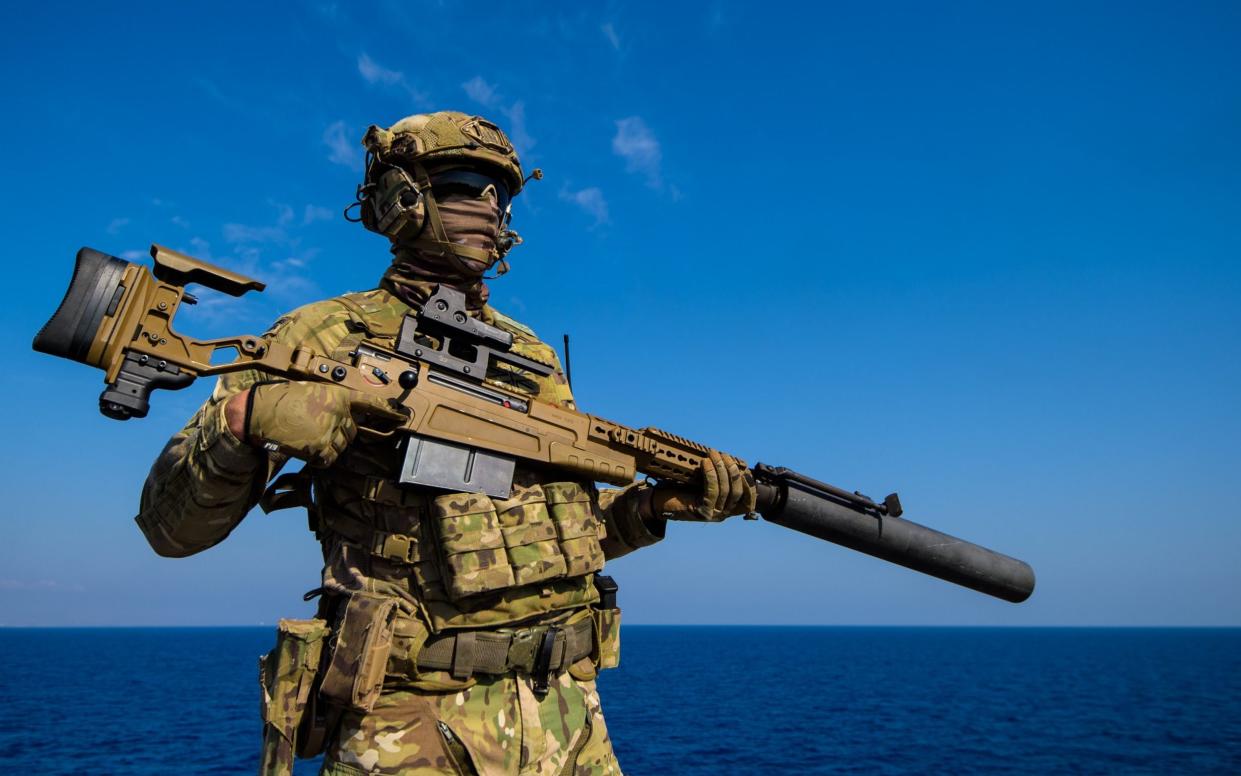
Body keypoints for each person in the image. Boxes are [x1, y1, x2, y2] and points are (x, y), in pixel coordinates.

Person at [135, 111, 756, 776]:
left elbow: (544, 542)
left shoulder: (530, 357)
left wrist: (649, 511)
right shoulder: (321, 335)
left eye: (502, 194)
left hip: (567, 718)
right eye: (465, 183)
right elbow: (172, 531)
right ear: (398, 197)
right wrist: (243, 421)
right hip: (407, 726)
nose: (489, 207)